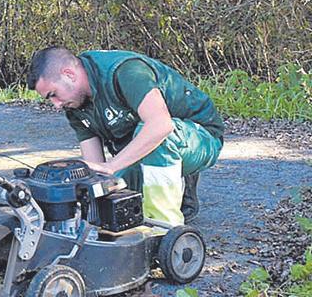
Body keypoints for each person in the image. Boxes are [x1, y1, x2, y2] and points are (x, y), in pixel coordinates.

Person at [26, 46, 225, 225]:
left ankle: (163, 229)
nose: (56, 104)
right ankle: (176, 190)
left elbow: (161, 125)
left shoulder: (125, 71)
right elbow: (97, 170)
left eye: (53, 94)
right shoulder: (74, 105)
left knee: (154, 134)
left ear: (69, 74)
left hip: (199, 136)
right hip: (141, 150)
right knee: (114, 200)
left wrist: (112, 166)